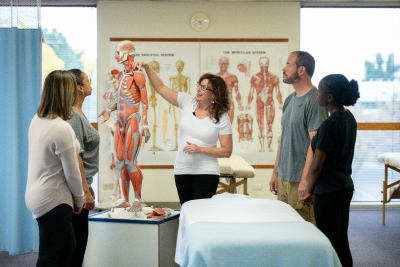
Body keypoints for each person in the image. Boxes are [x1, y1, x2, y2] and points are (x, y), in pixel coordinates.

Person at [133, 61, 233, 206]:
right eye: (199, 84)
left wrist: (200, 149)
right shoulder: (187, 102)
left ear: (214, 94)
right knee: (186, 210)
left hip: (207, 172)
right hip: (182, 170)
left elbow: (227, 151)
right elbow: (160, 88)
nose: (199, 89)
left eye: (204, 87)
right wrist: (147, 68)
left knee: (200, 213)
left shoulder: (221, 116)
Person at [299, 74, 360, 267]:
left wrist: (308, 190)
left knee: (329, 242)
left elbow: (317, 164)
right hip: (344, 187)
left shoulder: (329, 124)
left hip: (329, 191)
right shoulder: (349, 118)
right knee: (341, 239)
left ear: (330, 97)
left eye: (320, 90)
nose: (317, 94)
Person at [25, 70, 84, 267]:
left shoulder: (38, 119)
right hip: (54, 199)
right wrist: (80, 200)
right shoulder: (61, 128)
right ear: (66, 94)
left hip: (38, 193)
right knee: (49, 257)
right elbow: (72, 172)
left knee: (68, 247)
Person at [269, 51, 328, 225]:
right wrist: (275, 172)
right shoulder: (289, 100)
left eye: (288, 64)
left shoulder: (315, 100)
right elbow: (283, 139)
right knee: (284, 228)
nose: (283, 68)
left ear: (301, 69)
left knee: (303, 230)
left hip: (299, 181)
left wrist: (306, 180)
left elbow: (315, 144)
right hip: (284, 176)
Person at [67, 69, 100, 267]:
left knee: (79, 247)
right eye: (88, 80)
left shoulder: (80, 114)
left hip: (81, 185)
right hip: (75, 192)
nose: (90, 83)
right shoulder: (73, 116)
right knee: (75, 249)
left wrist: (87, 184)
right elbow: (76, 157)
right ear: (79, 87)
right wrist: (84, 191)